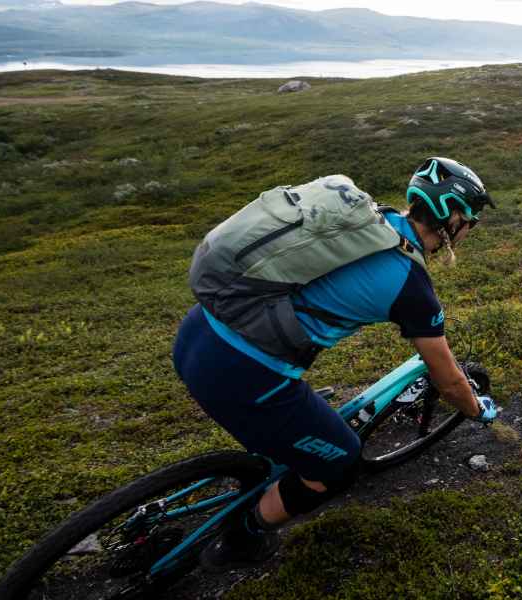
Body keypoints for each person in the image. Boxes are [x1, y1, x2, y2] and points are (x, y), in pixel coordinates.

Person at [172, 157, 499, 571]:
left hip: (198, 330)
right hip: (241, 375)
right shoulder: (412, 287)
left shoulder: (368, 220)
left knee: (290, 430)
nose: (471, 228)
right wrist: (477, 409)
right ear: (452, 219)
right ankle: (242, 537)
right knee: (339, 464)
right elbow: (449, 381)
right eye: (472, 220)